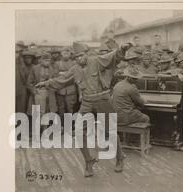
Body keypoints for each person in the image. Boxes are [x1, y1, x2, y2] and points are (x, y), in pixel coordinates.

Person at [38, 41, 132, 177]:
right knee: (78, 132)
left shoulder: (97, 60)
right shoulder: (75, 69)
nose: (78, 59)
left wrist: (122, 49)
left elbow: (113, 56)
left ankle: (120, 158)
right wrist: (46, 83)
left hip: (102, 100)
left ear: (86, 54)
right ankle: (89, 161)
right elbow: (61, 79)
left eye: (81, 55)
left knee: (109, 132)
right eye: (76, 57)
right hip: (87, 102)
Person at [27, 52, 58, 130]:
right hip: (39, 92)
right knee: (38, 112)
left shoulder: (52, 69)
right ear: (41, 60)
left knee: (49, 111)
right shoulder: (35, 68)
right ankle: (37, 130)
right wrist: (34, 91)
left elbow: (56, 80)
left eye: (49, 60)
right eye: (45, 60)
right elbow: (29, 82)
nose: (47, 62)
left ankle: (45, 130)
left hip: (49, 92)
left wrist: (52, 88)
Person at [54, 47, 78, 124]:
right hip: (60, 89)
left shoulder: (74, 63)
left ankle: (69, 125)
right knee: (61, 108)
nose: (66, 55)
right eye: (64, 53)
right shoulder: (57, 63)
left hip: (70, 90)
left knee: (70, 108)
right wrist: (67, 74)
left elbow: (75, 74)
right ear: (61, 54)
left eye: (68, 53)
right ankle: (61, 125)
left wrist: (63, 74)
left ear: (70, 54)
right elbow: (55, 75)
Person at [16, 48, 35, 113]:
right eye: (26, 58)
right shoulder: (21, 67)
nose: (28, 59)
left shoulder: (34, 67)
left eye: (30, 58)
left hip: (32, 89)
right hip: (23, 89)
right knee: (22, 104)